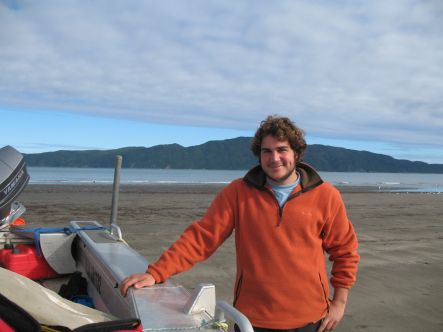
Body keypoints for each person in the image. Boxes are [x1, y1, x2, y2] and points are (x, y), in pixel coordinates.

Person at [121, 115, 359, 332]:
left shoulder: (326, 195)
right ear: (259, 155)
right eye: (267, 151)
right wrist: (157, 272)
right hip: (253, 320)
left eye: (282, 150)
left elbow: (345, 251)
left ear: (296, 153)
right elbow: (201, 238)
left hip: (311, 320)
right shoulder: (238, 192)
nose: (274, 158)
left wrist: (339, 302)